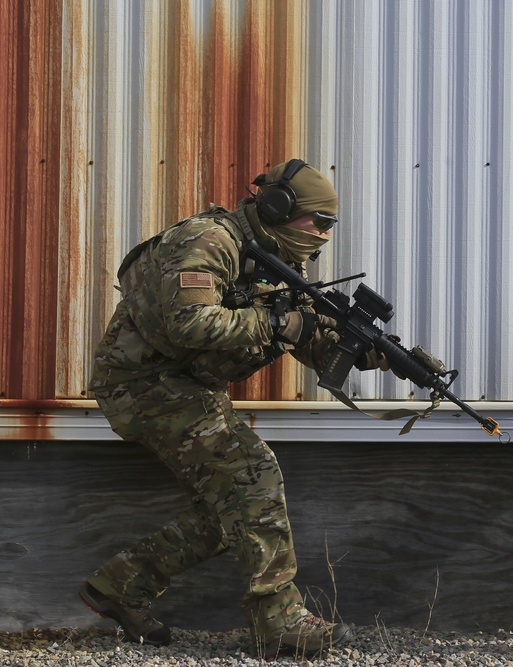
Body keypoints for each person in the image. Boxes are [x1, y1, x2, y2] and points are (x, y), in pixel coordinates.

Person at [82, 159, 377, 658]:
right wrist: (281, 325)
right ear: (281, 209)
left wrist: (368, 352)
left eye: (330, 226)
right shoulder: (210, 241)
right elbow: (191, 325)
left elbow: (299, 333)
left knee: (238, 509)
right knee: (254, 477)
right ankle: (278, 620)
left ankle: (121, 584)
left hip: (188, 384)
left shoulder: (273, 251)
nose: (324, 235)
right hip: (143, 384)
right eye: (320, 223)